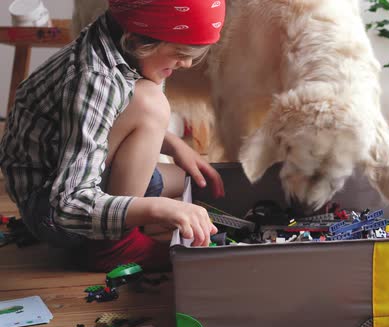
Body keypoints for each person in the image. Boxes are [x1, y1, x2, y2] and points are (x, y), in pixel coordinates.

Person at [0, 0, 226, 271]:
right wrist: (158, 209)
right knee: (150, 102)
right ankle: (113, 247)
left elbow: (108, 120)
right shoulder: (96, 79)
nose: (187, 63)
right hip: (52, 211)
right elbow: (67, 204)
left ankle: (129, 219)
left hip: (76, 174)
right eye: (179, 52)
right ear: (140, 40)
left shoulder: (123, 41)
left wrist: (175, 145)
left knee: (197, 184)